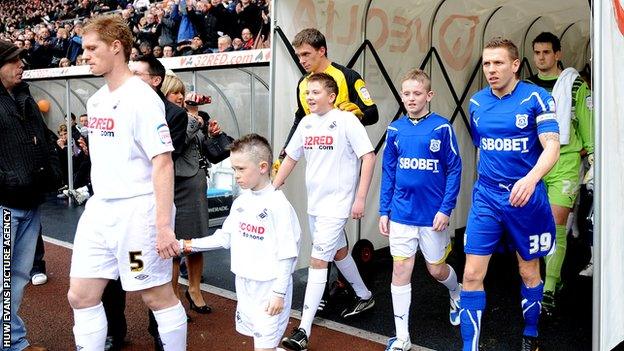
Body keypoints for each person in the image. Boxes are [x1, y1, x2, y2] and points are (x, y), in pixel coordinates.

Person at [66, 15, 187, 351]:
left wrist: (163, 226)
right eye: (84, 48)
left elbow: (162, 163)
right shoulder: (96, 100)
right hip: (100, 211)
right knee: (81, 295)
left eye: (92, 48)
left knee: (156, 296)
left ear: (116, 47)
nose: (85, 54)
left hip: (137, 213)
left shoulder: (142, 98)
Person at [461, 37, 560, 351]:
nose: (491, 70)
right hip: (487, 198)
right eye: (487, 63)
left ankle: (530, 333)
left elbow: (553, 146)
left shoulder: (537, 97)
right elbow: (482, 148)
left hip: (525, 199)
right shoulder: (477, 102)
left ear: (515, 65)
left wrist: (530, 180)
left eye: (498, 63)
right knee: (472, 273)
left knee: (528, 270)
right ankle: (469, 347)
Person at [274, 73, 376, 351]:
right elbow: (292, 157)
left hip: (337, 205)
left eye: (315, 92)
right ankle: (364, 295)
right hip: (315, 205)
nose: (309, 97)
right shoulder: (306, 123)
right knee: (339, 252)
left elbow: (368, 156)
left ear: (331, 96)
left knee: (318, 260)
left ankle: (303, 331)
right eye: (307, 93)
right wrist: (272, 188)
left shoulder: (346, 121)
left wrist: (360, 198)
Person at [99, 54, 190, 351]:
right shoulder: (108, 103)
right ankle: (115, 330)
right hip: (112, 210)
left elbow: (162, 161)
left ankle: (161, 335)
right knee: (109, 276)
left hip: (145, 208)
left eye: (137, 73)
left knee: (151, 281)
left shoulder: (173, 114)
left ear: (155, 80)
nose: (129, 76)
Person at [180, 133, 301, 351]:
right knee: (263, 344)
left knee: (264, 346)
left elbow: (288, 254)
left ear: (263, 167)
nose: (236, 175)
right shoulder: (241, 202)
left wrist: (279, 293)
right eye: (234, 168)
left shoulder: (278, 206)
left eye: (241, 169)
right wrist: (186, 245)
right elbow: (224, 238)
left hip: (269, 289)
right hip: (244, 286)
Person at [379, 69, 462, 351]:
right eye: (406, 94)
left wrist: (445, 209)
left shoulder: (441, 128)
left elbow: (454, 169)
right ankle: (402, 337)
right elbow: (388, 171)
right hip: (402, 213)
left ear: (429, 96)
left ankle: (456, 290)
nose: (411, 99)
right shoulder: (394, 130)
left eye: (417, 93)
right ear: (401, 96)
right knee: (400, 268)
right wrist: (383, 210)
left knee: (436, 270)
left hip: (432, 216)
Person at [526, 32, 594, 317]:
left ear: (557, 54)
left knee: (557, 223)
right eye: (537, 53)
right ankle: (541, 278)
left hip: (565, 159)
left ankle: (550, 287)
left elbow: (588, 120)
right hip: (534, 161)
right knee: (534, 226)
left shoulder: (575, 84)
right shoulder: (526, 87)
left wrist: (592, 155)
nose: (541, 58)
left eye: (546, 53)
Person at [0, 39, 61, 351]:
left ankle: (13, 341)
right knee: (2, 280)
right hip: (4, 205)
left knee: (18, 277)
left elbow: (47, 140)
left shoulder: (25, 98)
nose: (21, 65)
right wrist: (8, 181)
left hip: (31, 202)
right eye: (13, 61)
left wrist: (52, 170)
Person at [281, 28, 378, 154]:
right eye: (298, 56)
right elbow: (299, 119)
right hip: (315, 155)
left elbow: (373, 113)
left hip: (345, 155)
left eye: (306, 54)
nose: (301, 61)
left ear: (322, 50)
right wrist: (285, 152)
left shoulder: (348, 76)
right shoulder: (303, 83)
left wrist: (360, 116)